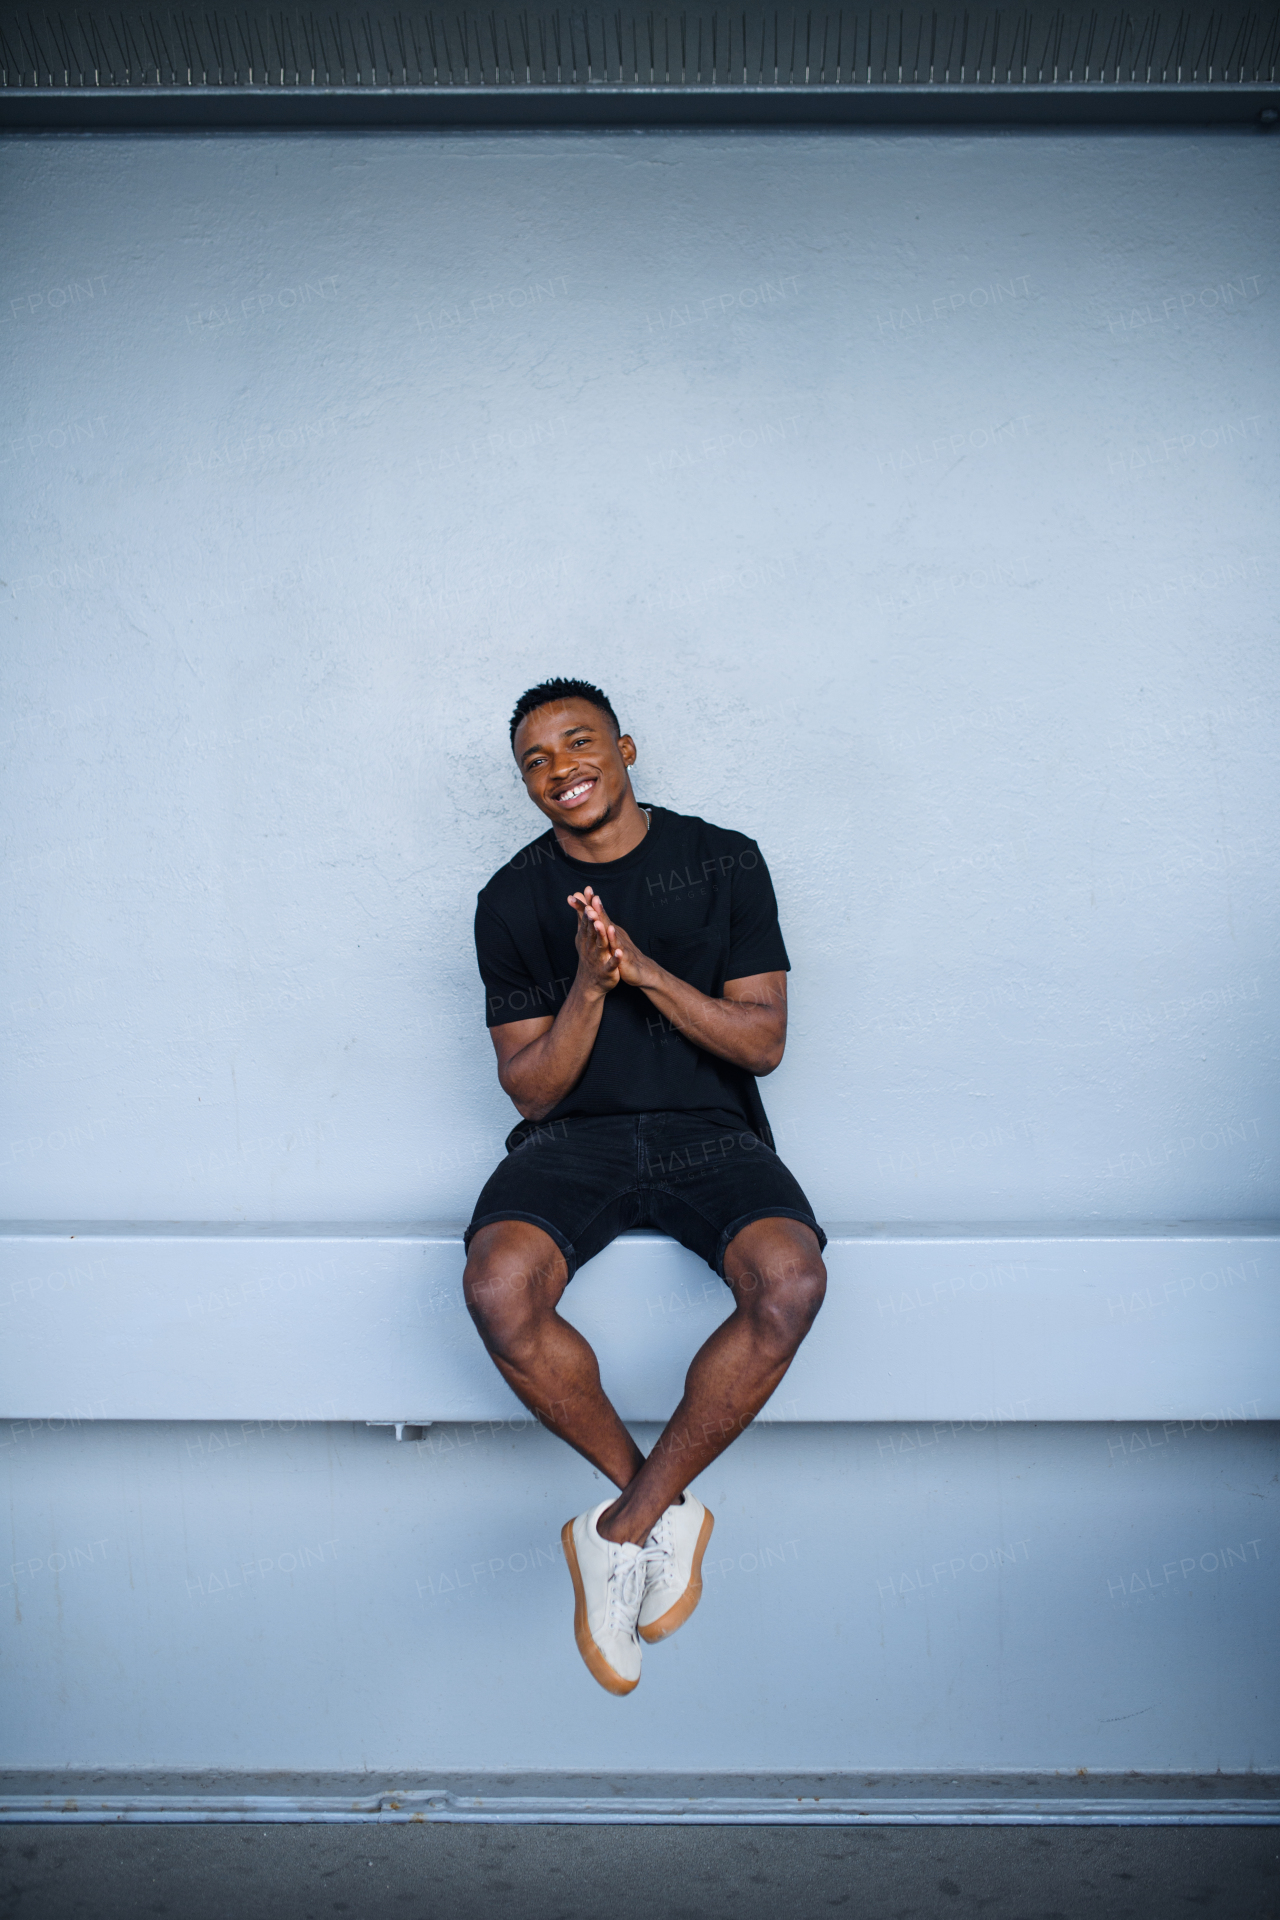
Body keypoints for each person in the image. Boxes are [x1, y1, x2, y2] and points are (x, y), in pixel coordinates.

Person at [463, 677, 826, 1695]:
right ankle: (656, 1514)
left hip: (708, 1133)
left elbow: (763, 1044)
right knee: (497, 1289)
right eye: (534, 760)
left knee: (788, 1282)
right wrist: (587, 983)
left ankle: (615, 1530)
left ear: (624, 748)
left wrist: (649, 973)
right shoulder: (509, 900)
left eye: (577, 744)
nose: (558, 771)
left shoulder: (723, 861)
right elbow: (531, 1092)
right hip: (572, 1140)